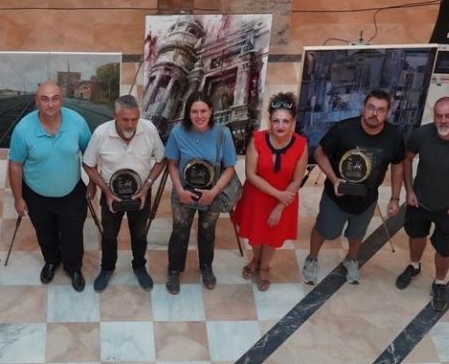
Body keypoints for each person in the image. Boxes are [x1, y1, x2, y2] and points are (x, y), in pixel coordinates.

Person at [303, 89, 405, 285]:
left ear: (387, 113)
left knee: (357, 233)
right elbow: (319, 153)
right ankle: (312, 259)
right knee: (324, 230)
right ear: (363, 107)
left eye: (381, 110)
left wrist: (395, 198)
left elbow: (398, 165)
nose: (374, 114)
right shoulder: (344, 129)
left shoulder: (394, 136)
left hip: (367, 198)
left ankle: (351, 259)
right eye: (371, 107)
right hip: (336, 196)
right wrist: (334, 180)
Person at [396, 97, 449, 311]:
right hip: (419, 202)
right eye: (438, 116)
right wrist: (409, 191)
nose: (443, 121)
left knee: (444, 249)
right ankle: (414, 265)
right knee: (416, 235)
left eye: (448, 116)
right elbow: (407, 159)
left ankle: (440, 282)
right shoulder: (421, 134)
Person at [9, 82, 92, 292]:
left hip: (72, 191)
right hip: (36, 194)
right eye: (44, 99)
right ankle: (51, 261)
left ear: (61, 100)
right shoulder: (23, 129)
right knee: (45, 233)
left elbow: (90, 155)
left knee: (73, 235)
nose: (50, 104)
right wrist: (18, 198)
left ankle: (73, 268)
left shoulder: (77, 122)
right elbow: (15, 165)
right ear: (36, 101)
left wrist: (93, 183)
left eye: (55, 98)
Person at [82, 95, 166, 292]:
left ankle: (139, 266)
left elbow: (161, 160)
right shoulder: (101, 133)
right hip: (111, 193)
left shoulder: (149, 129)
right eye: (125, 119)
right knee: (109, 235)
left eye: (135, 119)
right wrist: (105, 191)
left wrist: (146, 188)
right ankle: (107, 268)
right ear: (115, 116)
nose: (130, 124)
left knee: (140, 233)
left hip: (141, 192)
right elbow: (88, 164)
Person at [232, 93, 309, 291]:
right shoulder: (257, 140)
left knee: (272, 235)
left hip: (285, 199)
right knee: (256, 232)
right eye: (276, 121)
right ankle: (255, 260)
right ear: (269, 121)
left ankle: (264, 267)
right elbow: (251, 175)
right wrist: (278, 194)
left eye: (286, 121)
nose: (280, 126)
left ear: (293, 123)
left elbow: (297, 179)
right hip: (257, 196)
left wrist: (280, 206)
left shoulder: (301, 145)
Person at [164, 91, 237, 295]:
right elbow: (172, 164)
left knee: (207, 231)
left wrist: (213, 192)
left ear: (211, 111)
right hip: (184, 192)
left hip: (211, 192)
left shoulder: (223, 133)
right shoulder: (178, 133)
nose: (199, 116)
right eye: (194, 111)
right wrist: (180, 191)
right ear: (188, 113)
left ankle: (206, 267)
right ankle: (174, 270)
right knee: (180, 231)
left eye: (203, 111)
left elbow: (230, 167)